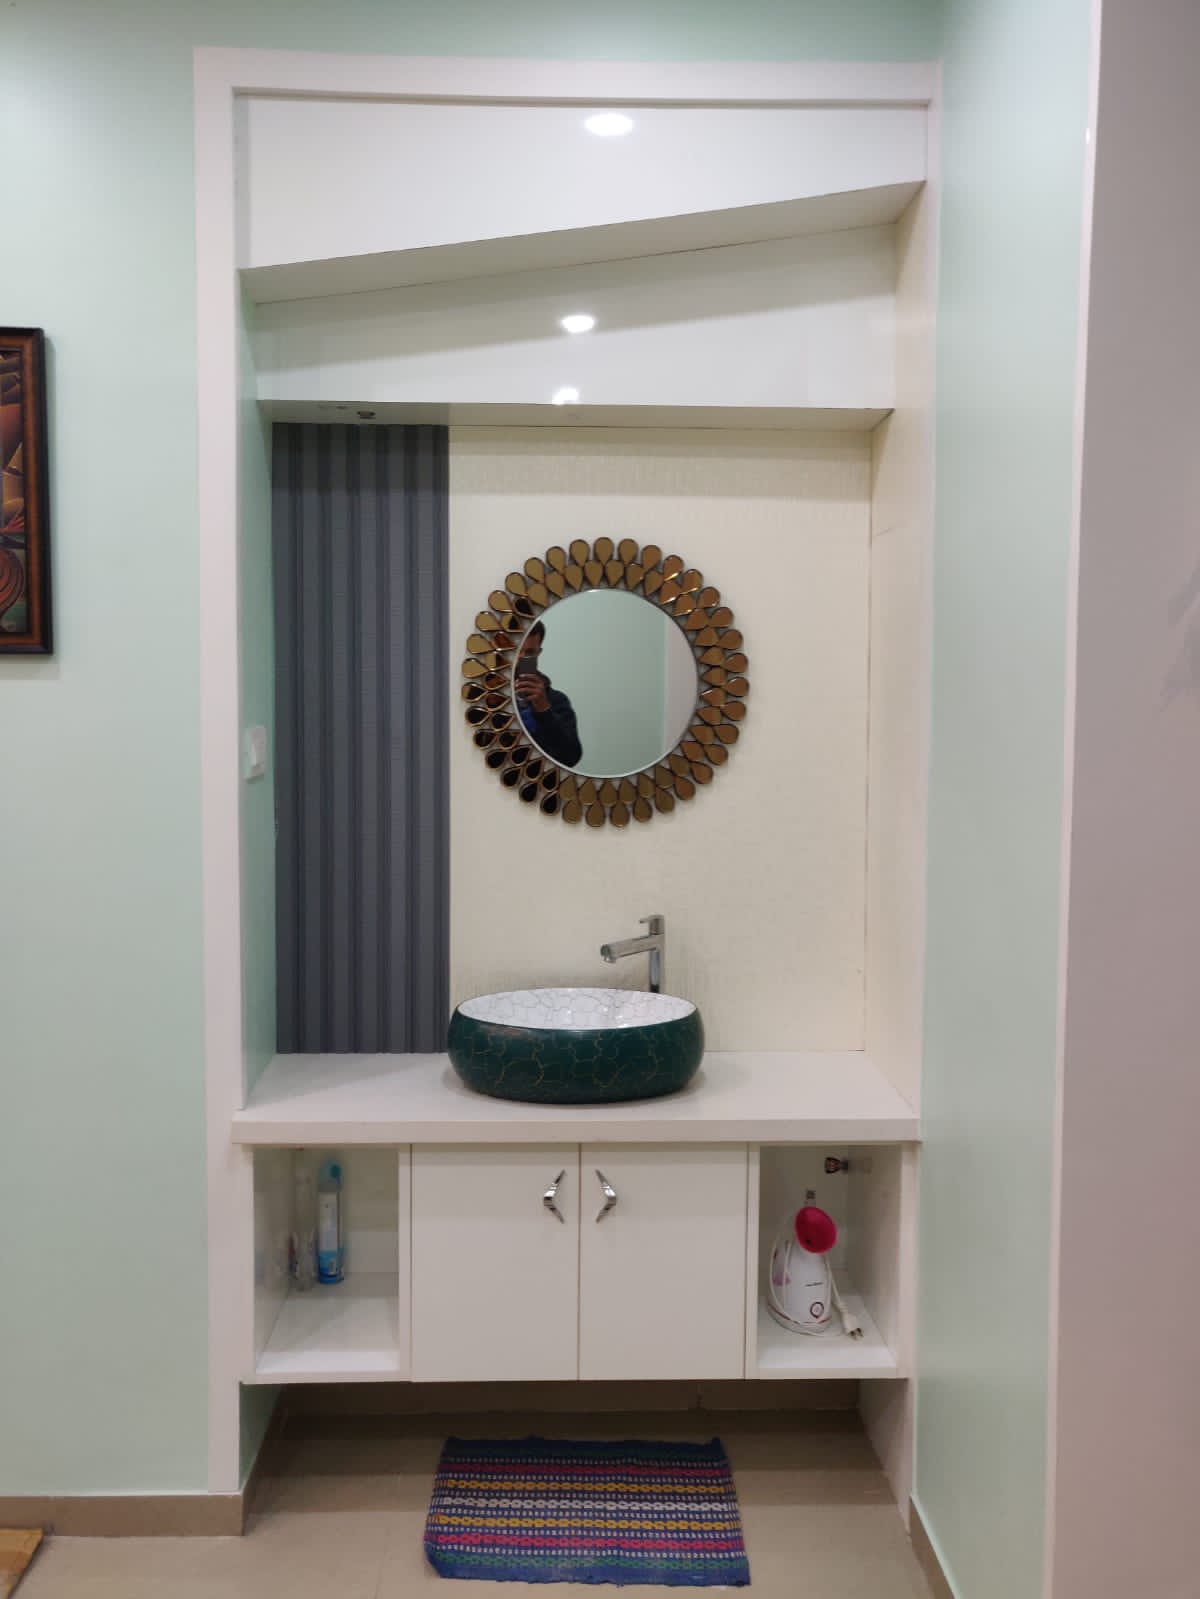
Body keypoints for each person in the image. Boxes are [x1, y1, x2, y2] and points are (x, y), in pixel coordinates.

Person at [513, 620, 582, 767]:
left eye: (529, 652)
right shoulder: (488, 692)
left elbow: (571, 758)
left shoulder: (556, 700)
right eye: (516, 650)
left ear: (538, 653)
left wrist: (544, 711)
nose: (521, 658)